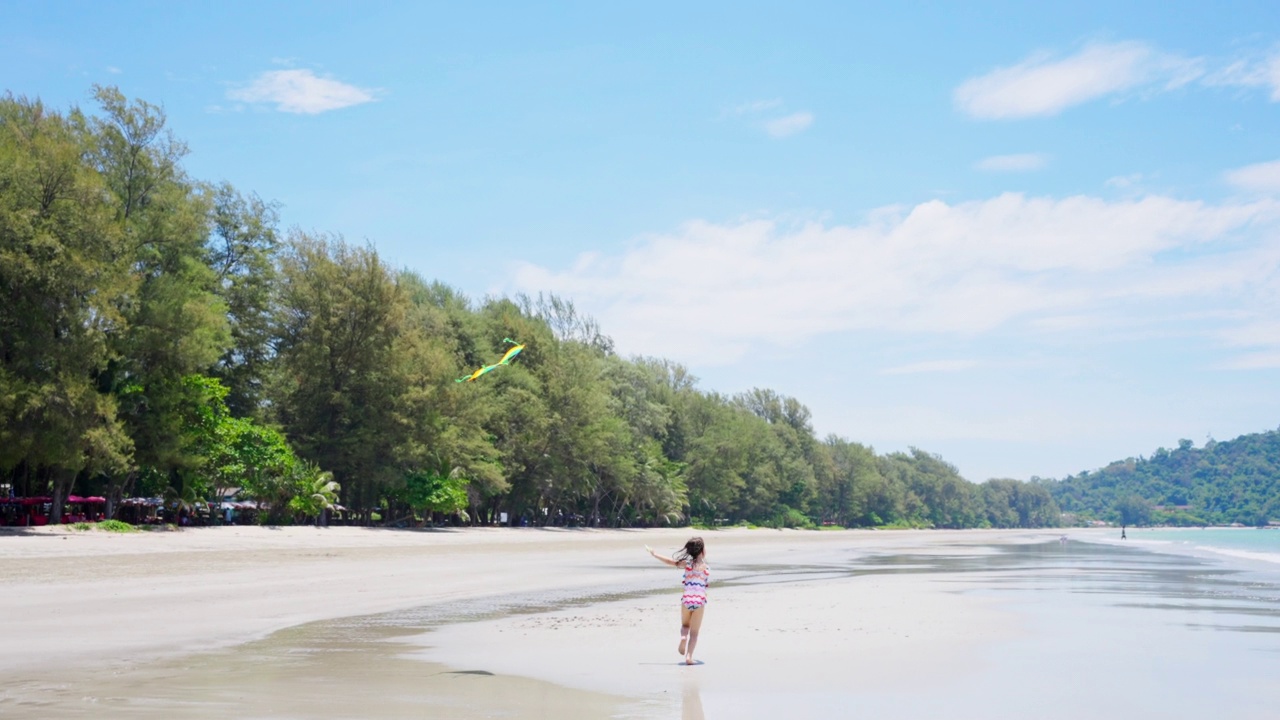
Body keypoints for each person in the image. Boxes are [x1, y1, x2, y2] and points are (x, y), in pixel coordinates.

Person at [646, 537, 709, 665]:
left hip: (686, 600)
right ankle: (689, 657)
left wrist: (655, 554)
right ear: (702, 550)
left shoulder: (687, 564)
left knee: (685, 626)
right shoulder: (706, 567)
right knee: (695, 633)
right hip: (700, 602)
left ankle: (683, 637)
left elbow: (671, 562)